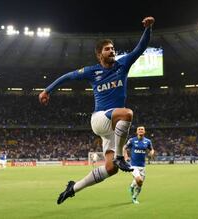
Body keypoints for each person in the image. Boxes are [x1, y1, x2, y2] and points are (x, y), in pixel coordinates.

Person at [39, 17, 155, 205]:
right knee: (127, 113)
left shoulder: (122, 64)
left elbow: (140, 49)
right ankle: (119, 157)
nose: (112, 50)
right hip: (100, 118)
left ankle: (73, 187)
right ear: (99, 54)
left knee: (110, 169)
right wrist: (47, 90)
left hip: (112, 129)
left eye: (112, 48)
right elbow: (68, 76)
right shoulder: (92, 71)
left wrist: (148, 28)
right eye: (107, 49)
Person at [123, 126, 154, 204]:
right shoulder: (132, 140)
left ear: (144, 131)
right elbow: (124, 148)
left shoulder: (148, 141)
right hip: (133, 165)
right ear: (137, 132)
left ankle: (133, 189)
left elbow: (151, 149)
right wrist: (126, 156)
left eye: (142, 129)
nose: (140, 130)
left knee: (140, 183)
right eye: (139, 129)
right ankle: (134, 198)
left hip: (142, 166)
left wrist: (151, 153)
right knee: (139, 180)